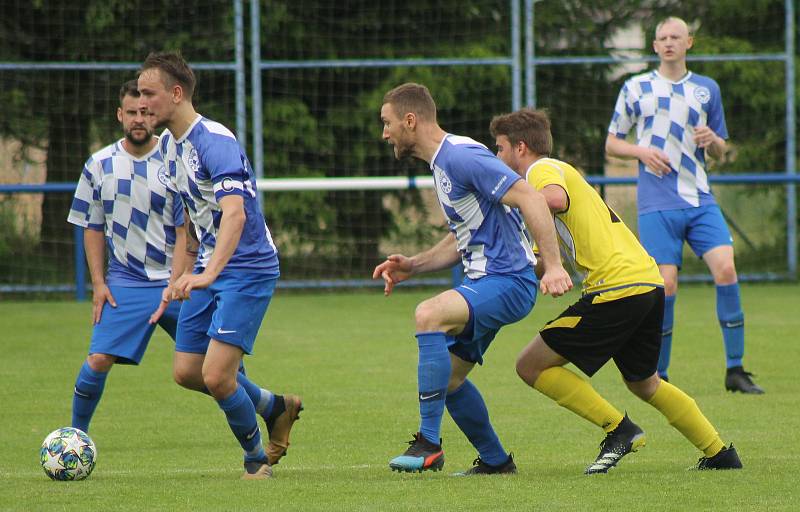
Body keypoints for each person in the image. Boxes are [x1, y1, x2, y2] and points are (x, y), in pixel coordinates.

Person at [491, 107, 742, 473]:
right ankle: (720, 454)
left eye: (499, 148)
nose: (497, 157)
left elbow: (555, 199)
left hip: (616, 289)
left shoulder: (540, 170)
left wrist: (510, 201)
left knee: (529, 366)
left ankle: (619, 430)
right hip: (646, 283)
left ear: (521, 148)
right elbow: (540, 260)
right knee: (644, 382)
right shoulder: (546, 186)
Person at [373, 83, 572, 475]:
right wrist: (413, 265)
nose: (385, 132)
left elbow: (531, 198)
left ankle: (429, 443)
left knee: (428, 314)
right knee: (446, 380)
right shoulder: (443, 163)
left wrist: (553, 265)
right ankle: (496, 462)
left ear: (410, 120)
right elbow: (464, 235)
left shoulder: (461, 156)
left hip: (509, 281)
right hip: (487, 281)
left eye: (387, 122)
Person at [137, 51, 302, 480]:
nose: (141, 103)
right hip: (210, 267)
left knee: (216, 376)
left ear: (176, 94)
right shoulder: (170, 148)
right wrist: (175, 283)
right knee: (187, 371)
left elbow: (236, 214)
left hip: (247, 268)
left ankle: (256, 462)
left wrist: (209, 274)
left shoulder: (215, 141)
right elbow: (191, 223)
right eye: (138, 94)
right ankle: (275, 406)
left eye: (149, 94)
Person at [605, 16, 763, 393]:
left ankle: (736, 371)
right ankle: (659, 372)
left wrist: (714, 140)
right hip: (657, 203)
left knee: (726, 268)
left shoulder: (706, 90)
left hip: (700, 199)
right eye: (662, 38)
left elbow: (722, 151)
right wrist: (641, 151)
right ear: (655, 46)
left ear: (689, 42)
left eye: (676, 36)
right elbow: (612, 143)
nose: (669, 42)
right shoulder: (636, 87)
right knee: (666, 285)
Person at [67, 80, 187, 435]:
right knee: (97, 359)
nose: (139, 119)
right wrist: (99, 283)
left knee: (217, 367)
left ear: (156, 115)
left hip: (176, 279)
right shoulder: (99, 164)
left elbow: (186, 231)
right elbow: (92, 226)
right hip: (127, 282)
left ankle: (268, 408)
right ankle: (75, 439)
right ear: (120, 115)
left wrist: (181, 278)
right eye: (132, 112)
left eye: (146, 113)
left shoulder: (173, 159)